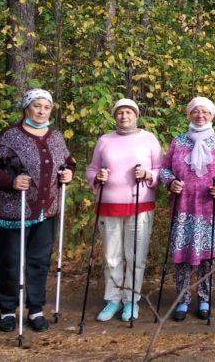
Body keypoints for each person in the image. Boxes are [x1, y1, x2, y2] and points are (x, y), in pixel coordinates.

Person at [0, 88, 75, 333]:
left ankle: (35, 309)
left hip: (47, 212)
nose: (42, 111)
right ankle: (8, 310)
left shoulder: (55, 136)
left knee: (39, 261)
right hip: (14, 211)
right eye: (37, 106)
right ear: (26, 108)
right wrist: (10, 182)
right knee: (11, 261)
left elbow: (68, 161)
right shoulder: (9, 136)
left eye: (47, 107)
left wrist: (68, 173)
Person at [86, 98, 162, 322]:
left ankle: (131, 300)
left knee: (136, 255)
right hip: (108, 204)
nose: (124, 116)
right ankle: (113, 299)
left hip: (140, 204)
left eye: (129, 112)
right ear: (114, 115)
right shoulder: (105, 140)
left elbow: (160, 169)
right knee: (112, 256)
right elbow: (92, 168)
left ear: (136, 115)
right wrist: (97, 177)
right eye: (120, 112)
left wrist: (148, 174)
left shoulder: (148, 139)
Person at [159, 97, 215, 321]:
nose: (200, 116)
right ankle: (182, 298)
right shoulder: (178, 141)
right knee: (182, 255)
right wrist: (171, 182)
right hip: (183, 207)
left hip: (209, 208)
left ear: (212, 115)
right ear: (189, 115)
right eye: (195, 112)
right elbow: (164, 169)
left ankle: (204, 298)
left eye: (205, 112)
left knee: (207, 256)